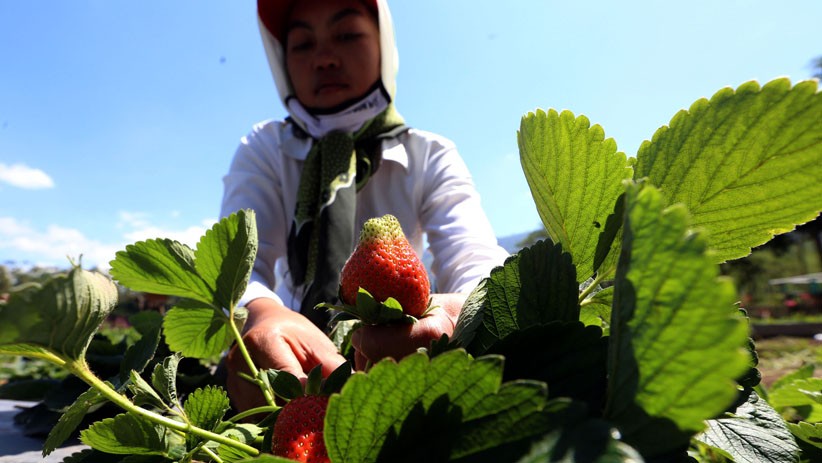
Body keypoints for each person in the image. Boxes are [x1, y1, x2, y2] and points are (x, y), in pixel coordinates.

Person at [220, 0, 508, 412]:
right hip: (290, 370)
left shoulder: (429, 153)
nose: (324, 58)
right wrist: (262, 314)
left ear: (384, 43)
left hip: (403, 360)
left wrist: (458, 315)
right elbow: (238, 268)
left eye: (347, 34)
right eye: (302, 45)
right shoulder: (265, 148)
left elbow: (473, 255)